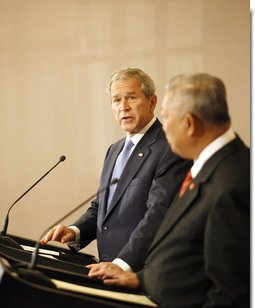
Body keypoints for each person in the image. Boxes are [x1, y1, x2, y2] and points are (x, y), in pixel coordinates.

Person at [87, 73, 250, 308]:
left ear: (190, 124)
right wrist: (139, 278)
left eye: (168, 117)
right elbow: (192, 256)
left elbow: (230, 294)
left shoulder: (233, 182)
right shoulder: (210, 166)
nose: (164, 127)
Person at [40, 68, 191, 272]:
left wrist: (122, 264)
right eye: (116, 100)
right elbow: (102, 206)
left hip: (142, 272)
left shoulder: (170, 147)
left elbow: (159, 214)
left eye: (131, 98)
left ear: (152, 102)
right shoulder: (115, 149)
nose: (123, 107)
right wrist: (75, 231)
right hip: (108, 269)